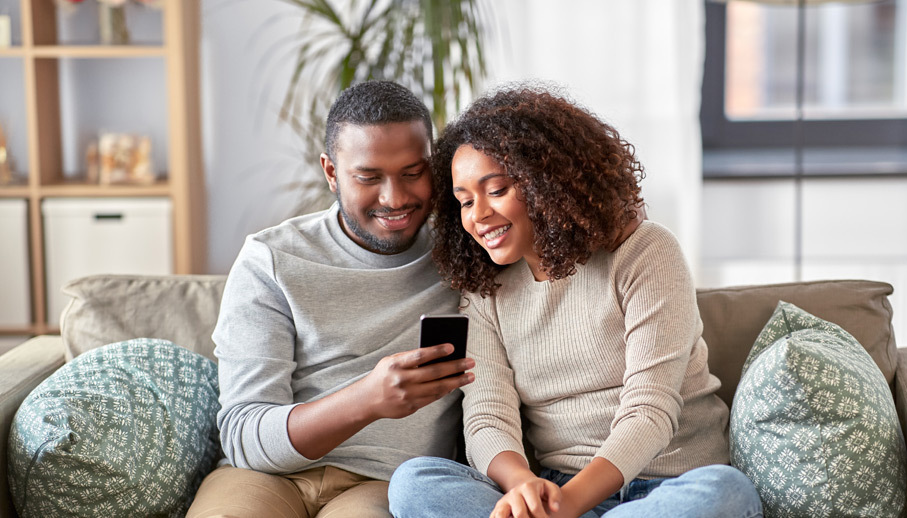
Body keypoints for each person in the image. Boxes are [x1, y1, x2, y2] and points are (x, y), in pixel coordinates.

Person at [388, 86, 763, 518]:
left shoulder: (644, 253)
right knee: (415, 482)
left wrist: (566, 508)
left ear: (547, 181)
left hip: (671, 487)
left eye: (497, 189)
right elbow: (487, 416)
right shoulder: (484, 288)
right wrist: (527, 489)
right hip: (554, 493)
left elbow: (650, 412)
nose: (477, 215)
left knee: (727, 493)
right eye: (464, 201)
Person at [187, 81, 475, 518]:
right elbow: (245, 437)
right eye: (369, 177)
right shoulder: (271, 260)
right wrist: (367, 398)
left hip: (388, 482)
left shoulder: (465, 254)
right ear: (331, 171)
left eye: (413, 173)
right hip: (263, 479)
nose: (394, 198)